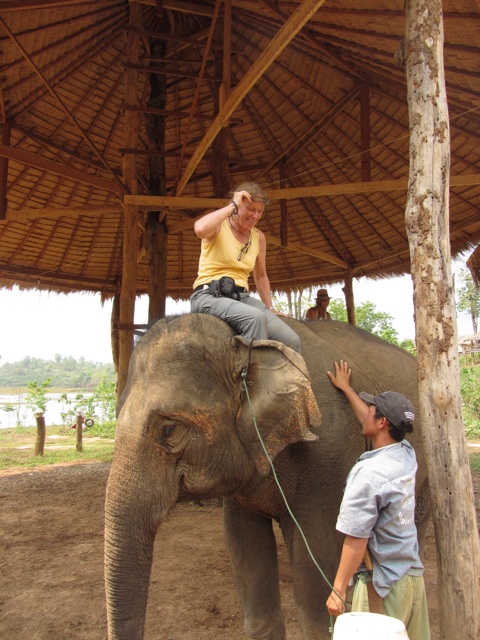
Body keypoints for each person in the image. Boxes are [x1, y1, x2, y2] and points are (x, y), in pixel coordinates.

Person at [325, 360, 430, 640]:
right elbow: (369, 420)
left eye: (372, 408)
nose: (367, 411)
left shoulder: (368, 473)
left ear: (382, 422)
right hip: (410, 577)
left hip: (381, 585)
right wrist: (347, 389)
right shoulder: (405, 453)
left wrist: (339, 589)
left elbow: (356, 538)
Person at [190, 181, 301, 354]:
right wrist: (233, 204)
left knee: (291, 339)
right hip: (208, 295)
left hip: (241, 298)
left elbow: (261, 276)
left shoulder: (259, 237)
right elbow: (200, 229)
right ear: (238, 205)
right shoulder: (220, 225)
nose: (255, 216)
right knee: (254, 318)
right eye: (250, 209)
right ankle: (248, 380)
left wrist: (270, 308)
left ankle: (287, 381)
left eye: (259, 211)